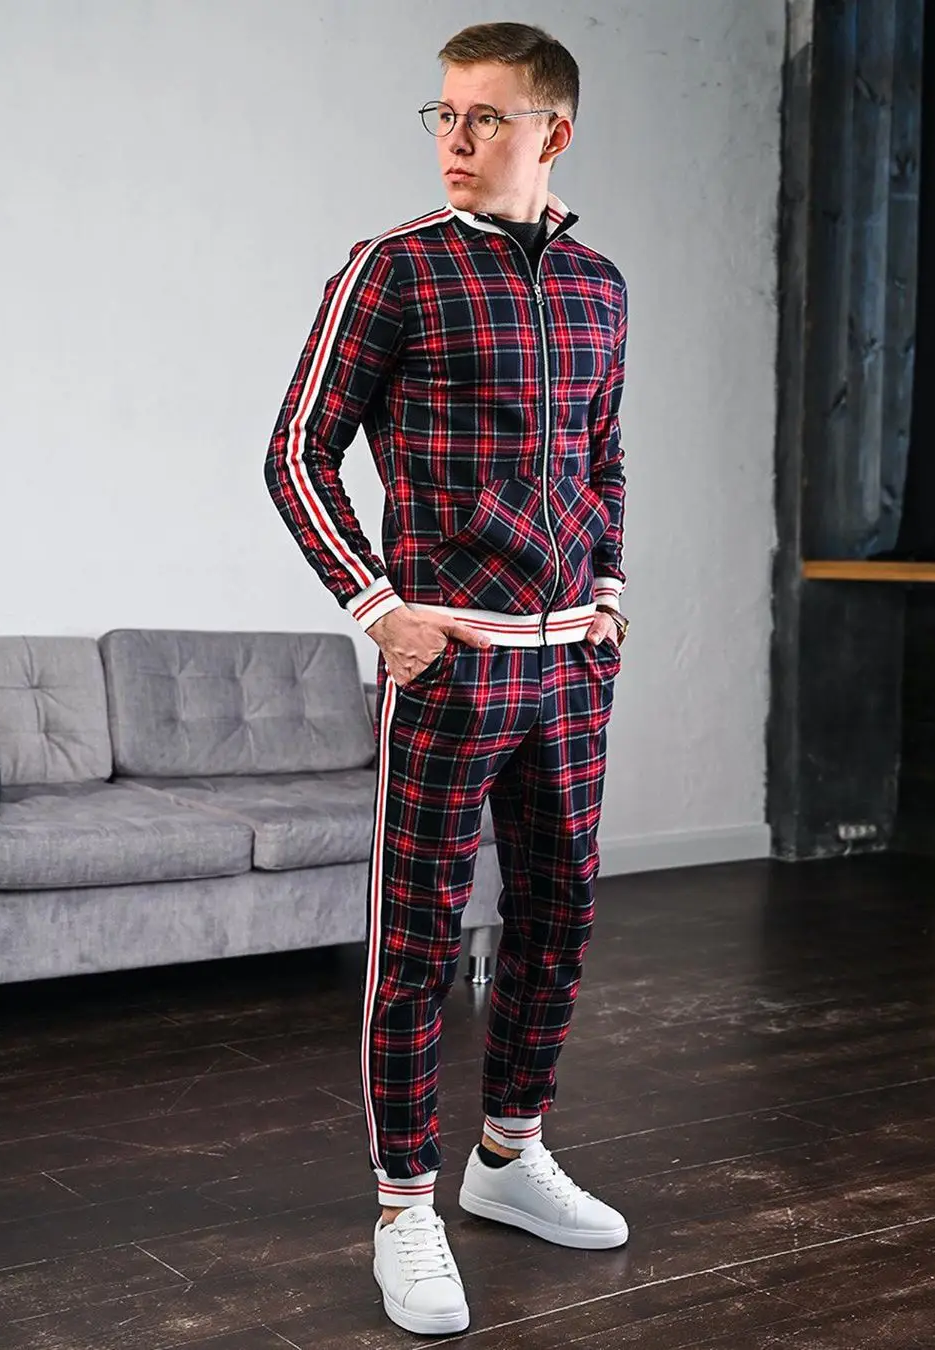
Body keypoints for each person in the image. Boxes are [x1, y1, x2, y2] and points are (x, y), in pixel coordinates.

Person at [265, 20, 630, 1337]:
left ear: (553, 132)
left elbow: (602, 455)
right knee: (416, 939)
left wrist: (611, 591)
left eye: (486, 117)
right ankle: (404, 1206)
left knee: (558, 918)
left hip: (570, 672)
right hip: (448, 670)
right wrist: (378, 609)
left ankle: (509, 1156)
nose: (455, 140)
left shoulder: (599, 286)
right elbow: (297, 453)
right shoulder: (395, 270)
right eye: (444, 114)